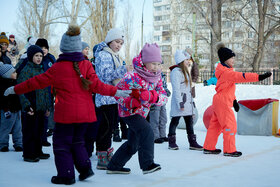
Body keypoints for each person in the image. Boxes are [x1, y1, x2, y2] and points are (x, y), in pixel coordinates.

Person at [4, 24, 131, 185]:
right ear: (78, 48)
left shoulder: (57, 67)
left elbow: (35, 82)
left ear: (63, 48)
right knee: (78, 141)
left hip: (66, 116)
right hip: (85, 115)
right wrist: (116, 92)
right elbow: (98, 86)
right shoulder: (85, 65)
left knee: (61, 144)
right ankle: (85, 169)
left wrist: (15, 89)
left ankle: (66, 175)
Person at [106, 43, 168, 175]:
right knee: (147, 131)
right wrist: (129, 101)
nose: (156, 67)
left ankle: (114, 166)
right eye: (153, 64)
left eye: (158, 64)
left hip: (142, 113)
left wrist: (153, 97)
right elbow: (118, 93)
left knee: (133, 144)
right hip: (128, 112)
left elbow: (163, 97)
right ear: (144, 62)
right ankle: (147, 164)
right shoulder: (132, 76)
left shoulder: (157, 78)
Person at [203, 42, 272, 157]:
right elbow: (242, 76)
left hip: (219, 100)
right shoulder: (227, 73)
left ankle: (208, 147)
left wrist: (234, 100)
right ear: (225, 60)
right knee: (230, 125)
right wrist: (259, 77)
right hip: (223, 102)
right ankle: (229, 150)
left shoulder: (223, 72)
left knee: (215, 125)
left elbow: (226, 89)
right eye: (231, 58)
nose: (233, 61)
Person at [94, 28, 133, 169]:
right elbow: (105, 75)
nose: (119, 45)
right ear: (110, 40)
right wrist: (124, 69)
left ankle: (106, 152)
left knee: (109, 127)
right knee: (105, 128)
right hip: (105, 98)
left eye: (121, 43)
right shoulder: (104, 55)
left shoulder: (113, 55)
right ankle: (102, 156)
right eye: (117, 42)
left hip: (112, 97)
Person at [16, 45, 51, 162]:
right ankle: (29, 153)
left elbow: (46, 89)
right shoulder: (26, 70)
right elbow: (20, 90)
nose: (39, 58)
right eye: (36, 56)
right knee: (30, 130)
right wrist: (26, 105)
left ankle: (38, 150)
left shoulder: (41, 69)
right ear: (31, 56)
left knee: (40, 130)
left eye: (41, 56)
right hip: (31, 105)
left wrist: (47, 106)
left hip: (41, 105)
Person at [167, 50, 203, 151]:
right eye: (186, 60)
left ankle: (192, 142)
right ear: (181, 60)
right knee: (175, 121)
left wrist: (192, 105)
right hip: (181, 102)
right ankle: (172, 142)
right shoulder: (176, 72)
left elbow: (188, 89)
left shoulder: (185, 71)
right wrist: (180, 103)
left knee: (189, 122)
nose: (188, 61)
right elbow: (176, 89)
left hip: (187, 102)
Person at [35, 38, 56, 145]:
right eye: (41, 48)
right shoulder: (35, 59)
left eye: (45, 48)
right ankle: (37, 138)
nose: (43, 50)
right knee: (38, 115)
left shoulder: (51, 59)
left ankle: (43, 138)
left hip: (49, 91)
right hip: (38, 91)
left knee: (47, 114)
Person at [0, 56, 22, 152]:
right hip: (7, 110)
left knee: (18, 128)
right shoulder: (2, 85)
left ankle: (18, 144)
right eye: (13, 72)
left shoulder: (16, 83)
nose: (15, 73)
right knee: (5, 127)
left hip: (17, 109)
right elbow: (2, 99)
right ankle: (3, 144)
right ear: (7, 75)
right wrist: (5, 108)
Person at [149, 71, 171, 144]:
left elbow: (164, 85)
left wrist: (166, 90)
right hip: (155, 98)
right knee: (155, 118)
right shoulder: (151, 74)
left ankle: (162, 135)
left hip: (162, 98)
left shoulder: (161, 74)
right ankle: (155, 136)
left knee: (163, 118)